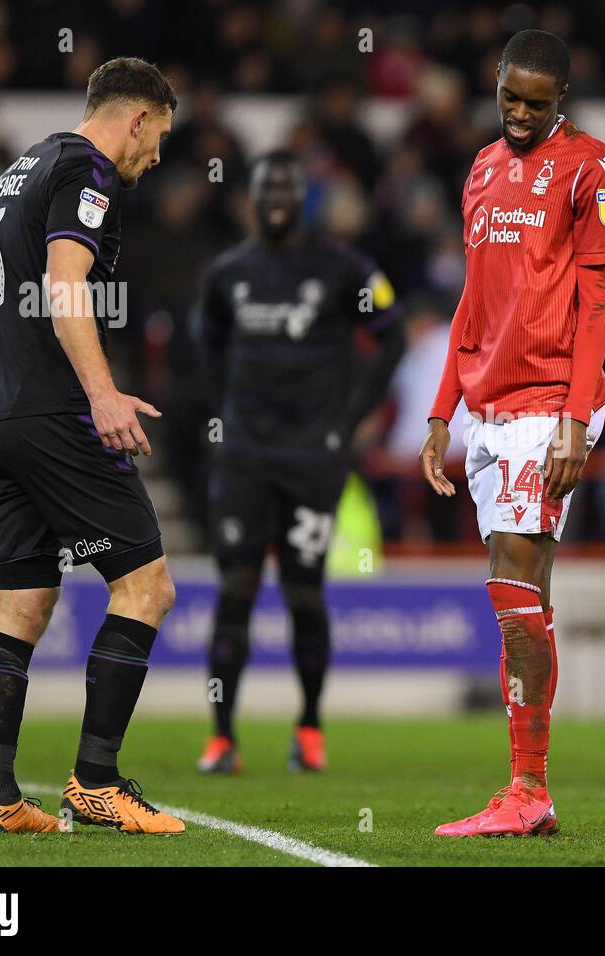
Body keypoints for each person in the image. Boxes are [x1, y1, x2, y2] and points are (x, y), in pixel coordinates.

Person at [0, 58, 184, 834]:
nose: (156, 160)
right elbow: (64, 284)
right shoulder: (89, 170)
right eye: (158, 141)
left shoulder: (17, 171)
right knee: (147, 588)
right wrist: (98, 392)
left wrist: (7, 374)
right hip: (54, 414)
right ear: (138, 118)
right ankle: (96, 783)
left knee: (22, 602)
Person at [419, 29, 605, 837]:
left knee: (512, 574)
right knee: (523, 596)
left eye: (538, 104)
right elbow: (473, 300)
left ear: (561, 102)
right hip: (490, 404)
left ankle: (528, 787)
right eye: (510, 97)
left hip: (550, 401)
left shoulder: (591, 167)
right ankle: (525, 790)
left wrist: (575, 420)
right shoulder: (479, 168)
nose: (520, 114)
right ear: (496, 84)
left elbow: (599, 299)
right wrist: (441, 412)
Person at [195, 151, 403, 775]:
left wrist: (353, 417)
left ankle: (309, 726)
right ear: (252, 199)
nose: (279, 198)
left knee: (304, 595)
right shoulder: (228, 273)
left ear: (304, 197)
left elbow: (391, 334)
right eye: (268, 188)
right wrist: (220, 416)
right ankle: (222, 736)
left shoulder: (341, 269)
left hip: (313, 457)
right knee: (235, 590)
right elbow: (204, 345)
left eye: (289, 187)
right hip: (246, 459)